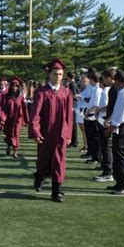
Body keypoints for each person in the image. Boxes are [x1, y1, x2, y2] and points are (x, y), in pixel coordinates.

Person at [29, 58, 74, 203]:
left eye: (60, 74)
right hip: (45, 134)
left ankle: (56, 191)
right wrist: (35, 132)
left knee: (59, 161)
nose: (58, 77)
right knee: (44, 161)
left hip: (60, 133)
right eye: (55, 74)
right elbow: (35, 114)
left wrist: (68, 135)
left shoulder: (66, 93)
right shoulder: (42, 92)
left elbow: (69, 116)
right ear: (49, 75)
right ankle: (39, 176)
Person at [104, 71, 124, 195]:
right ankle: (120, 182)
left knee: (120, 157)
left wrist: (109, 129)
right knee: (118, 155)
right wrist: (109, 120)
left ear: (118, 81)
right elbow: (117, 111)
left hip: (123, 127)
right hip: (122, 125)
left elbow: (120, 116)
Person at [91, 71, 114, 182]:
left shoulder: (107, 90)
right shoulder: (110, 90)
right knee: (107, 147)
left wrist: (98, 111)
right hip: (107, 120)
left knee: (106, 147)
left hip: (104, 121)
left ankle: (108, 171)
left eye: (104, 78)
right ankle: (107, 169)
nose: (103, 81)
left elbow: (108, 107)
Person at [3, 76, 28, 159]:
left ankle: (15, 151)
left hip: (18, 119)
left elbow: (24, 108)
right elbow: (3, 108)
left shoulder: (21, 97)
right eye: (14, 86)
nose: (15, 88)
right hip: (9, 119)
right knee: (9, 134)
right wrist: (3, 118)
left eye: (17, 86)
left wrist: (26, 120)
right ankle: (8, 146)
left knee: (16, 134)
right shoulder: (7, 96)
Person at [84, 71, 102, 164]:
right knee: (91, 137)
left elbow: (96, 105)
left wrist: (88, 111)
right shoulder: (95, 89)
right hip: (90, 114)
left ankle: (97, 157)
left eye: (90, 79)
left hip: (93, 115)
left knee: (95, 137)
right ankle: (93, 155)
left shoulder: (98, 89)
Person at [66, 72, 79, 147]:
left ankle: (74, 141)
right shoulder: (73, 84)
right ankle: (74, 141)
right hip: (73, 106)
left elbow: (74, 96)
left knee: (73, 124)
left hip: (72, 107)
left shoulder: (72, 85)